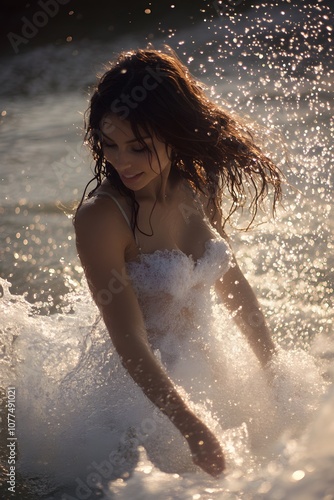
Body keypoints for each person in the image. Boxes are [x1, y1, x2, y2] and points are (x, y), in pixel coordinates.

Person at [74, 46, 283, 478]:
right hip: (136, 404)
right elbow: (128, 336)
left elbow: (232, 283)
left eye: (138, 146)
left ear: (174, 134)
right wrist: (190, 426)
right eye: (109, 144)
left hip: (207, 371)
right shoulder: (101, 218)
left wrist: (273, 367)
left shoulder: (193, 186)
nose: (121, 160)